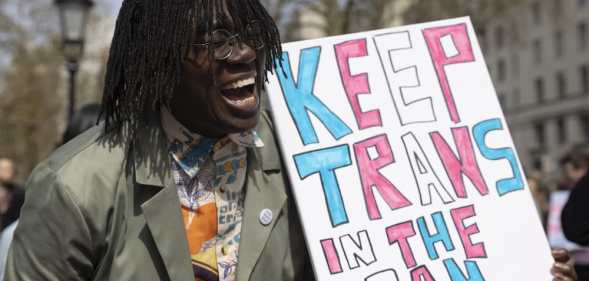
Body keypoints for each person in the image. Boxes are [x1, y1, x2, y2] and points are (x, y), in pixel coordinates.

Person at [4, 1, 577, 281]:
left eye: (249, 33)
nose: (243, 54)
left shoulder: (314, 157)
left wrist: (519, 268)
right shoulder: (76, 187)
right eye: (211, 41)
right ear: (158, 64)